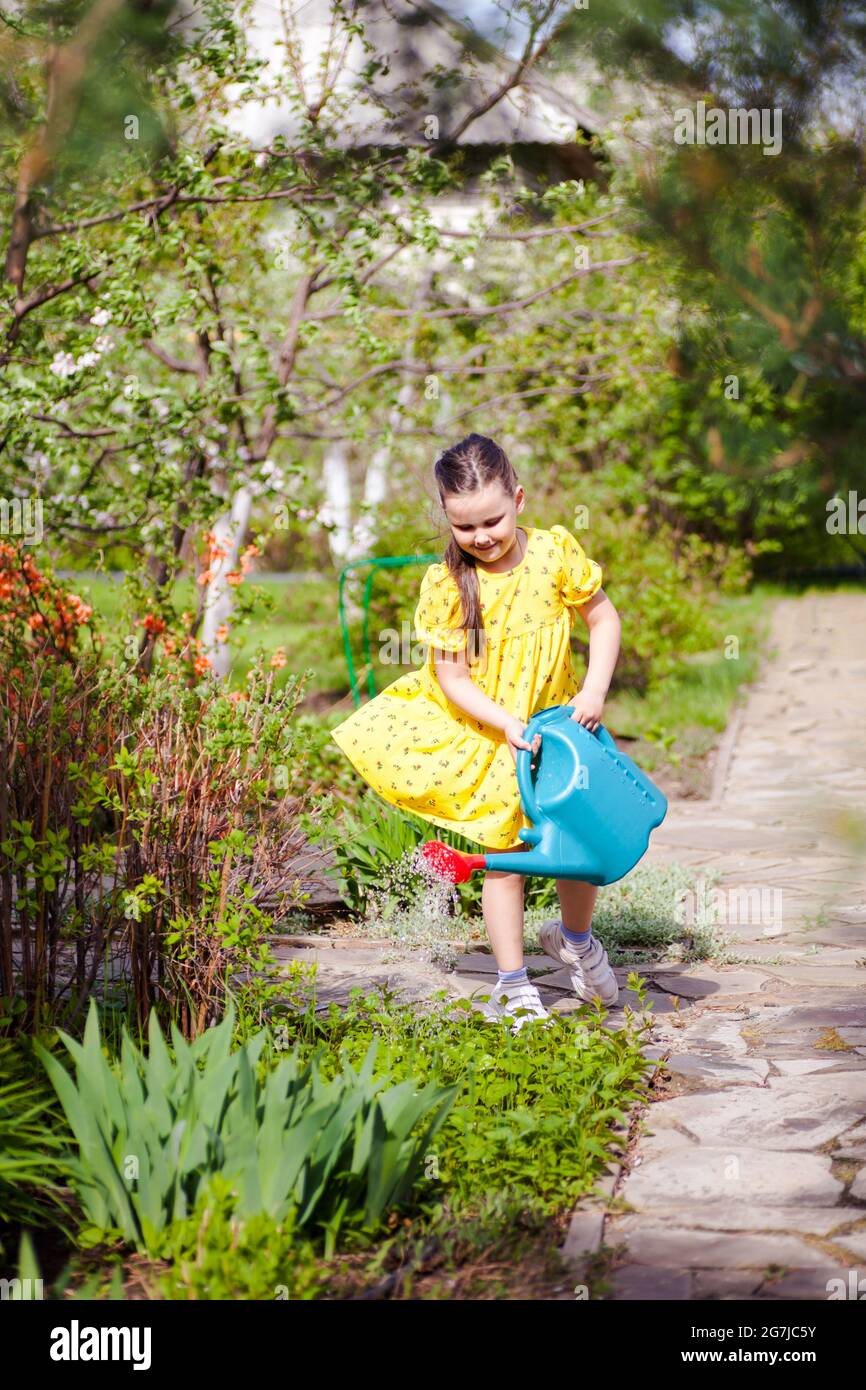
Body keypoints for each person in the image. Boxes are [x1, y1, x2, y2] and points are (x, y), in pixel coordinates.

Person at [330, 433, 623, 1030]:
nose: (482, 536)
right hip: (495, 734)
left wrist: (592, 691)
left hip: (561, 731)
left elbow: (604, 617)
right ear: (447, 517)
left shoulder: (553, 553)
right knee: (510, 862)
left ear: (518, 498)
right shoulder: (446, 584)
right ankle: (513, 986)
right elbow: (453, 679)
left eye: (493, 519)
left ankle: (575, 941)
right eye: (466, 528)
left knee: (580, 850)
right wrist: (506, 722)